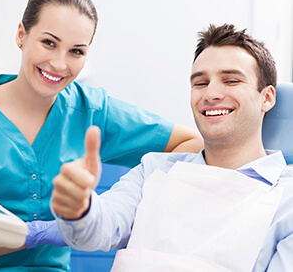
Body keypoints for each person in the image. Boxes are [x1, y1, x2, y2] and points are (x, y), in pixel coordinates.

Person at [0, 0, 203, 271]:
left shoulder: (92, 112)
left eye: (76, 51)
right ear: (21, 34)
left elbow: (191, 144)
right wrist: (27, 237)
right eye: (49, 43)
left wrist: (109, 209)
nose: (58, 63)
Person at [52, 24, 293, 271]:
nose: (211, 93)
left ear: (267, 98)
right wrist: (80, 208)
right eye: (200, 83)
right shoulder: (154, 170)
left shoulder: (288, 201)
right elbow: (101, 228)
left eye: (231, 80)